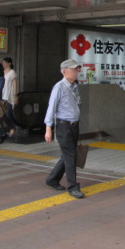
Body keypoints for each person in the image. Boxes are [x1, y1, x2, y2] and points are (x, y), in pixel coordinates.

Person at [44, 59, 85, 199]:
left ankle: (52, 179)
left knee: (67, 155)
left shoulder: (74, 86)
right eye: (73, 69)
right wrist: (48, 128)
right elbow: (51, 108)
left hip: (73, 126)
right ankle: (73, 187)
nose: (76, 71)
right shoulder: (59, 87)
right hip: (64, 126)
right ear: (64, 72)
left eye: (77, 69)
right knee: (70, 156)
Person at [1, 57, 18, 137]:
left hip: (9, 96)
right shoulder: (2, 72)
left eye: (4, 63)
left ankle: (13, 127)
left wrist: (15, 95)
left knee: (9, 113)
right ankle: (11, 127)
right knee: (2, 113)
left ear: (9, 63)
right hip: (2, 95)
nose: (3, 64)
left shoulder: (12, 72)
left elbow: (15, 85)